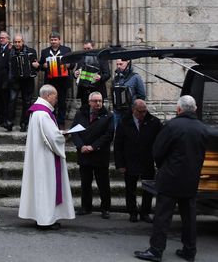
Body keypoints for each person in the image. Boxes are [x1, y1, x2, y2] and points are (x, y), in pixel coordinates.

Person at [134, 96, 217, 262]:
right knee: (189, 218)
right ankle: (189, 250)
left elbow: (157, 151)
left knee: (163, 216)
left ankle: (156, 250)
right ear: (195, 109)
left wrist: (163, 166)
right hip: (192, 178)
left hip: (170, 178)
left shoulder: (172, 126)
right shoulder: (202, 128)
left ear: (178, 109)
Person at [18, 84, 75, 229]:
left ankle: (43, 218)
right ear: (48, 96)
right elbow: (53, 137)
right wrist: (64, 135)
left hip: (41, 155)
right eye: (55, 97)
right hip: (45, 158)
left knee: (42, 187)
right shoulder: (43, 114)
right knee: (46, 187)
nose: (56, 100)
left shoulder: (37, 112)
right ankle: (45, 220)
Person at [115, 99, 163, 223]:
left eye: (144, 111)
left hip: (147, 161)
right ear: (133, 110)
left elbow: (161, 143)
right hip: (130, 161)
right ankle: (132, 211)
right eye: (140, 112)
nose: (143, 114)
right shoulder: (124, 123)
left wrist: (159, 162)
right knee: (130, 189)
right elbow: (118, 145)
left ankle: (145, 212)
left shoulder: (154, 122)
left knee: (148, 189)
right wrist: (120, 164)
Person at [70, 91, 114, 219]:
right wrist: (81, 146)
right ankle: (86, 207)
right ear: (89, 102)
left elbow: (109, 134)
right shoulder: (80, 114)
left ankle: (105, 208)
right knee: (85, 183)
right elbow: (74, 131)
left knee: (103, 183)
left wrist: (93, 146)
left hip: (100, 154)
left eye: (100, 101)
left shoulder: (109, 115)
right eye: (95, 101)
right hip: (84, 154)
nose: (98, 103)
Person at [38, 32, 72, 127]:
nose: (53, 41)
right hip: (50, 81)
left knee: (62, 102)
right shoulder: (45, 51)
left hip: (63, 81)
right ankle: (50, 121)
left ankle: (61, 122)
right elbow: (40, 65)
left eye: (55, 39)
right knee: (49, 102)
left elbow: (72, 64)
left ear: (59, 40)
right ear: (49, 41)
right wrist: (43, 66)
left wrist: (69, 65)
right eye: (52, 40)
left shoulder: (66, 50)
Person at [7, 34, 38, 132]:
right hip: (14, 80)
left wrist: (35, 66)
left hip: (27, 81)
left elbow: (36, 66)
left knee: (27, 102)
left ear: (23, 42)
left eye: (19, 42)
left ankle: (24, 124)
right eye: (15, 42)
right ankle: (9, 123)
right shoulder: (9, 52)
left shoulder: (31, 52)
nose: (17, 44)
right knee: (12, 101)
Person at [73, 39, 110, 107]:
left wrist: (100, 77)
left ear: (93, 47)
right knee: (84, 111)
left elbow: (107, 74)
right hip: (84, 91)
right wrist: (75, 74)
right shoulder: (81, 58)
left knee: (97, 112)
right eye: (85, 49)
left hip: (97, 90)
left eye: (88, 48)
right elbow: (77, 71)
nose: (87, 50)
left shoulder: (101, 58)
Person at [112, 59, 146, 128]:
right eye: (117, 64)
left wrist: (135, 108)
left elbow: (142, 95)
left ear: (127, 63)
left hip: (131, 112)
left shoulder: (136, 77)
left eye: (121, 64)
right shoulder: (116, 78)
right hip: (117, 113)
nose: (118, 66)